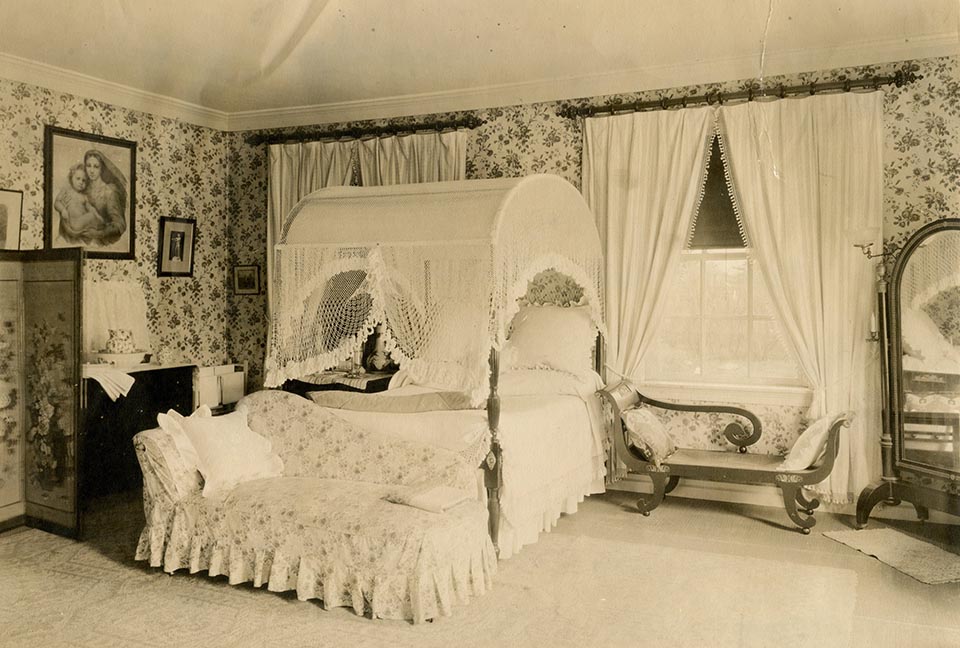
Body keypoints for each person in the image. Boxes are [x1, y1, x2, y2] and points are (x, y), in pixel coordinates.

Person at [81, 149, 127, 246]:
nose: (91, 171)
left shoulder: (109, 191)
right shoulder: (83, 188)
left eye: (96, 167)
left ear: (102, 168)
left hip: (103, 242)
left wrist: (99, 234)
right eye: (88, 166)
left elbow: (120, 225)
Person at [55, 163, 103, 244]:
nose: (81, 182)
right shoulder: (67, 191)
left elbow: (90, 208)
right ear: (71, 178)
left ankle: (99, 226)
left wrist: (96, 214)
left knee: (93, 215)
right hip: (73, 223)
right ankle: (100, 224)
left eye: (84, 180)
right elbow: (57, 202)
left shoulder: (84, 196)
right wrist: (63, 210)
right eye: (78, 179)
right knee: (92, 216)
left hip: (81, 223)